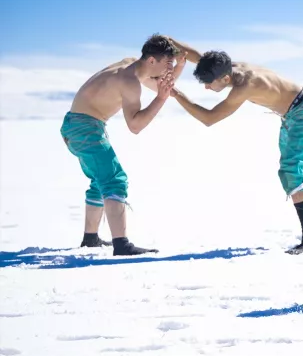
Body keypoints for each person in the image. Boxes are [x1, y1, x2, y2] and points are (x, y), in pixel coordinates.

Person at [170, 50, 303, 254]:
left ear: (225, 78)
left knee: (290, 171)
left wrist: (176, 94)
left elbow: (210, 118)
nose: (207, 87)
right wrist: (170, 45)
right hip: (296, 111)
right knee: (297, 170)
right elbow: (197, 56)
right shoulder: (228, 66)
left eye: (209, 83)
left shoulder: (244, 85)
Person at [60, 33, 200, 255]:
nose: (169, 69)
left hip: (79, 126)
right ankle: (122, 245)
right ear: (152, 61)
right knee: (114, 180)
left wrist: (177, 69)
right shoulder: (130, 82)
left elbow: (161, 84)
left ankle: (90, 238)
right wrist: (161, 99)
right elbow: (135, 125)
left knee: (100, 180)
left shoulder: (131, 66)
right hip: (84, 129)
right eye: (168, 64)